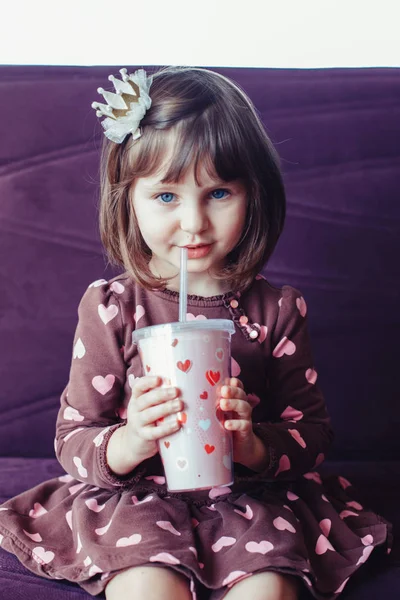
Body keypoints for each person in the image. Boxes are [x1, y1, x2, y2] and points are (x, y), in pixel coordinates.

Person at [0, 66, 392, 600]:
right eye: (166, 196)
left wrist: (253, 444)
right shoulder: (114, 308)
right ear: (128, 199)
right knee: (144, 588)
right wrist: (133, 437)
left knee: (269, 591)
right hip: (137, 501)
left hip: (251, 502)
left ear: (254, 194)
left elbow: (313, 435)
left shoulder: (276, 309)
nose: (193, 223)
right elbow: (72, 440)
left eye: (219, 193)